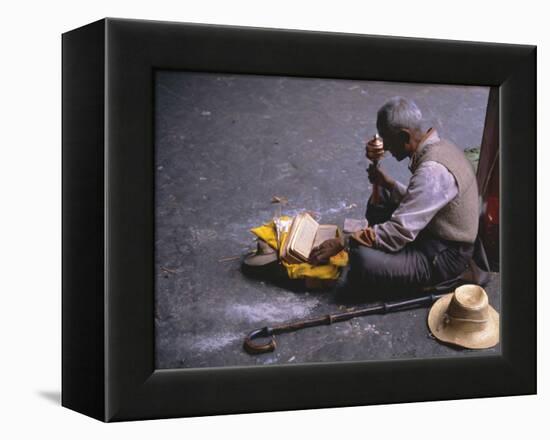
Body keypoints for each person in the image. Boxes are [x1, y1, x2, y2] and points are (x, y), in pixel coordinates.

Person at [310, 97, 480, 296]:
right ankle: (385, 249)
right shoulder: (440, 146)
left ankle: (424, 274)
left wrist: (344, 242)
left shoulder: (432, 171)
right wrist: (388, 183)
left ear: (404, 137)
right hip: (433, 230)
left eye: (387, 140)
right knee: (384, 193)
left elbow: (399, 233)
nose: (387, 148)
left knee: (361, 259)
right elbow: (422, 200)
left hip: (445, 255)